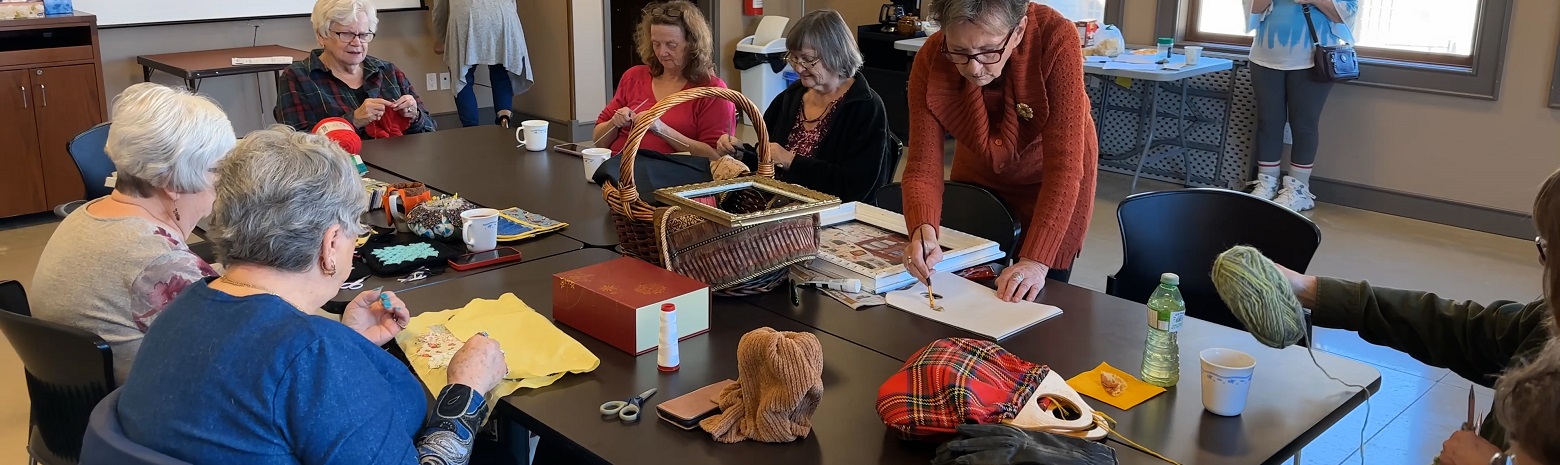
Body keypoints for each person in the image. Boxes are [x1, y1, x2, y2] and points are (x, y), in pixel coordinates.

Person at [115, 127, 508, 464]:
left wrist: (347, 343)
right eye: (353, 233)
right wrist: (465, 391)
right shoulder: (314, 356)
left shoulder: (182, 308)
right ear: (330, 243)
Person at [1277, 165, 1560, 462]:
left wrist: (1495, 463)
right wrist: (1313, 290)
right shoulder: (1546, 320)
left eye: (1547, 250)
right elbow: (1466, 331)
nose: (1543, 265)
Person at [29, 83, 233, 384]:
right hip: (145, 414)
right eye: (216, 171)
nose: (220, 184)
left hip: (78, 412)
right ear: (174, 184)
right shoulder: (159, 261)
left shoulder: (88, 215)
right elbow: (236, 347)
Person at [900, 0, 1098, 303]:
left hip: (1050, 181)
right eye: (960, 52)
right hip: (980, 167)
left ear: (1018, 31)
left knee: (1033, 299)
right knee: (968, 291)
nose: (974, 68)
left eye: (989, 50)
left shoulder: (1055, 36)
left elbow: (1065, 168)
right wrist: (922, 229)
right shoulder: (932, 56)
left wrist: (1035, 261)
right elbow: (923, 165)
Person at [713, 9, 892, 203]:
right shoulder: (791, 97)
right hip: (778, 206)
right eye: (794, 58)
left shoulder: (865, 107)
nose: (797, 68)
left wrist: (791, 161)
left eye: (807, 59)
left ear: (835, 54)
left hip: (830, 214)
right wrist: (742, 153)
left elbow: (854, 187)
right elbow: (768, 159)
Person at [1242, 0, 1358, 211]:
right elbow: (1253, 8)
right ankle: (1266, 183)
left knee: (1304, 125)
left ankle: (1298, 190)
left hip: (1313, 57)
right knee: (1268, 122)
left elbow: (1345, 14)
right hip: (1264, 55)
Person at [592, 0, 735, 160]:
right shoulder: (633, 77)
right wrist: (614, 122)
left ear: (692, 44)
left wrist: (660, 128)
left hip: (669, 176)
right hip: (618, 169)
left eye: (671, 45)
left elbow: (716, 158)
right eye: (656, 44)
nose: (662, 52)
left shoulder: (712, 91)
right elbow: (599, 142)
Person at [276, 0, 434, 139]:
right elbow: (297, 146)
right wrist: (353, 121)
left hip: (399, 163)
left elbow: (431, 129)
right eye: (346, 34)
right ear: (321, 35)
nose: (357, 42)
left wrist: (415, 116)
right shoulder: (297, 77)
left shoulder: (388, 71)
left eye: (364, 34)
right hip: (338, 171)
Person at [432, 0, 534, 128]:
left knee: (463, 77)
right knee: (501, 72)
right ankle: (504, 121)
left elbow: (439, 9)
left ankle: (471, 130)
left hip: (466, 15)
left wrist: (441, 39)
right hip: (504, 15)